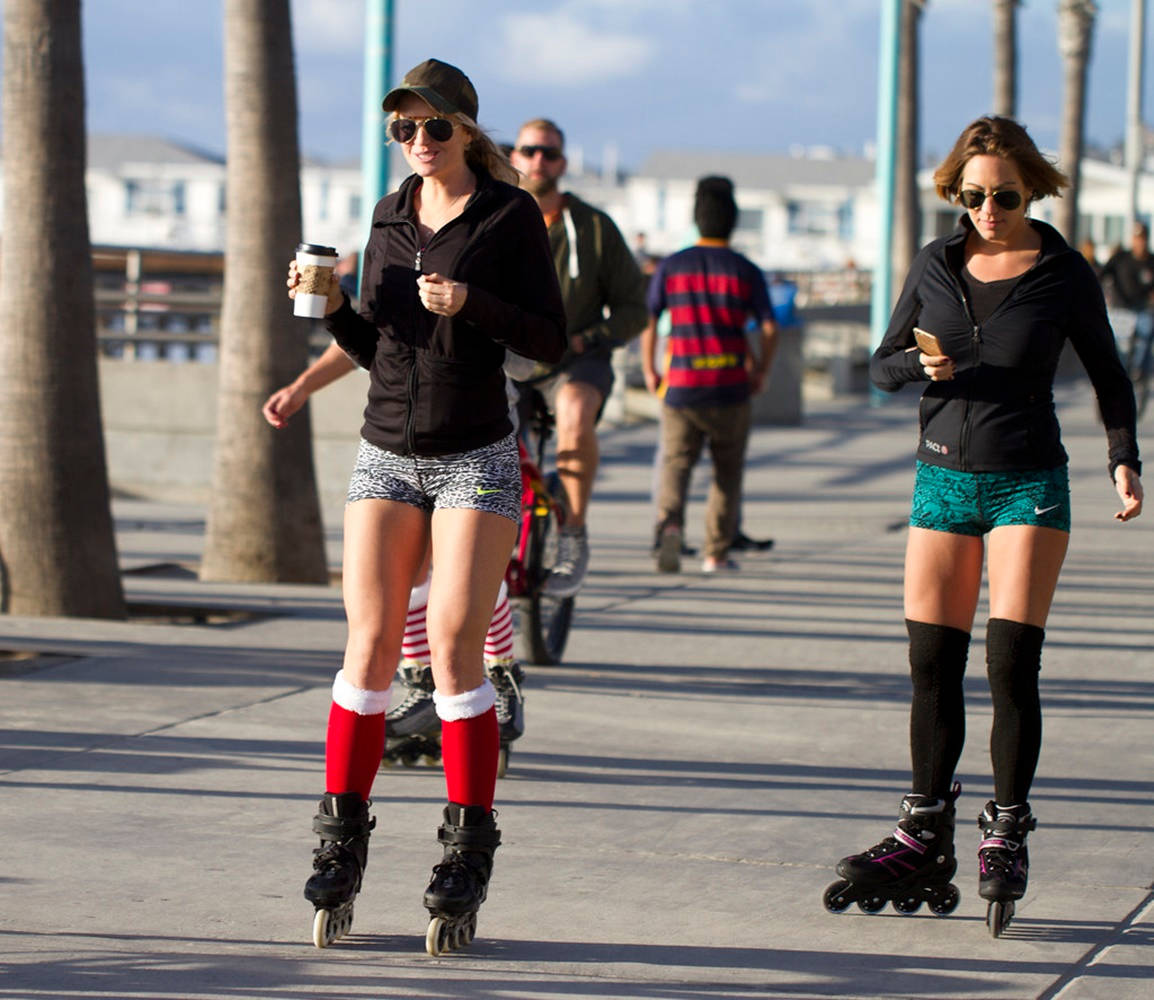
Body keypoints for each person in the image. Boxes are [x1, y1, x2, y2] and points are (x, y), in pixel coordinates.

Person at [823, 117, 1143, 936]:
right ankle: (923, 828)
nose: (989, 211)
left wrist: (1123, 456)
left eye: (1004, 196)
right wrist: (919, 366)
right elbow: (880, 364)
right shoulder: (936, 262)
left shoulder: (1063, 271)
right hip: (941, 478)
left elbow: (1109, 373)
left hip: (1026, 481)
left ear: (1029, 190)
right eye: (974, 197)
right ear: (954, 194)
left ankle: (1006, 827)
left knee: (1009, 662)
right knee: (931, 660)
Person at [288, 58, 565, 954]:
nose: (417, 144)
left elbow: (549, 340)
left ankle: (465, 850)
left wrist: (474, 302)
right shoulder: (389, 216)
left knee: (452, 651)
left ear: (466, 131)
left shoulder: (508, 215)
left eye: (433, 129)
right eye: (402, 130)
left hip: (475, 455)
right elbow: (378, 341)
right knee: (366, 647)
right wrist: (330, 309)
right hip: (384, 450)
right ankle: (341, 841)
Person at [508, 119, 648, 597]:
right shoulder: (497, 221)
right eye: (529, 151)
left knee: (574, 410)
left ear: (563, 163)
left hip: (574, 360)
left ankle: (573, 534)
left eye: (549, 153)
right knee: (489, 434)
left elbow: (635, 308)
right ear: (514, 158)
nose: (539, 161)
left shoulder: (592, 227)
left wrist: (589, 340)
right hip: (511, 359)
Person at [640, 175, 778, 574]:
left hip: (681, 384)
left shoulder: (671, 266)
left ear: (696, 217)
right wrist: (762, 369)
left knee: (676, 463)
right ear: (732, 219)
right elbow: (769, 327)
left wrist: (650, 368)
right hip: (731, 385)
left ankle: (669, 525)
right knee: (727, 471)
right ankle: (716, 552)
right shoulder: (745, 270)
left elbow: (650, 319)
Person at [1101, 221, 1154, 381]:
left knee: (1145, 339)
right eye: (1137, 238)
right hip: (1121, 310)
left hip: (1142, 309)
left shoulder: (1151, 261)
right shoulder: (1121, 258)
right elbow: (1101, 275)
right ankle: (1118, 378)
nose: (1140, 242)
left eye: (1142, 238)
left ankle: (1139, 372)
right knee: (1120, 352)